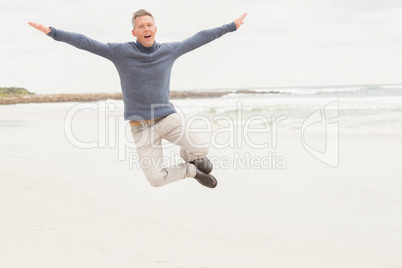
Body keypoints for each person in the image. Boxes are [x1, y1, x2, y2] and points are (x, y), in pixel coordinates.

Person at [29, 9, 247, 188]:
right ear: (134, 32)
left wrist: (230, 27)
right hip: (141, 128)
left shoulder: (169, 51)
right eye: (141, 26)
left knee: (202, 149)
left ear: (155, 29)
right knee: (155, 180)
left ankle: (189, 156)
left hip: (167, 119)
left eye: (149, 25)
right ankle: (190, 170)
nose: (146, 29)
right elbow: (86, 43)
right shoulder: (120, 52)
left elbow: (198, 38)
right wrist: (52, 32)